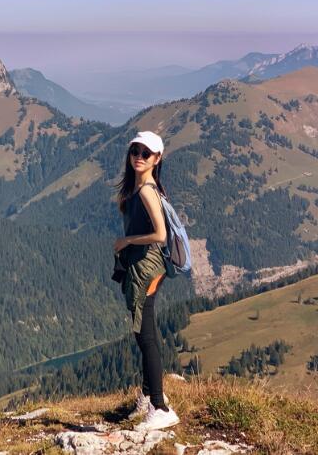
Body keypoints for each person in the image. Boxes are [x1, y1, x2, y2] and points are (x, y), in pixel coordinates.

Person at [112, 130, 180, 431]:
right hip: (142, 267)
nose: (138, 157)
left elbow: (160, 234)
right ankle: (148, 395)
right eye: (135, 151)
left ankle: (160, 407)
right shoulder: (140, 186)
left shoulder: (147, 190)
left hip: (147, 267)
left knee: (146, 335)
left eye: (145, 153)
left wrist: (127, 241)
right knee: (142, 331)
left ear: (157, 158)